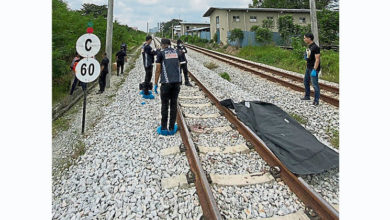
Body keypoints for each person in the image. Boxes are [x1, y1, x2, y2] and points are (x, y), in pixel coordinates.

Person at [154, 39, 181, 135]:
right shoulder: (177, 52)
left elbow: (158, 70)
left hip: (166, 84)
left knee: (165, 105)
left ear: (162, 45)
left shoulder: (161, 54)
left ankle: (164, 128)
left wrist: (155, 83)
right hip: (176, 83)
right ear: (169, 45)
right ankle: (172, 127)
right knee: (173, 105)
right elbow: (178, 66)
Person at [301, 33, 321, 106]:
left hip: (313, 68)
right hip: (308, 67)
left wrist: (314, 70)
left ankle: (316, 101)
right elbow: (309, 57)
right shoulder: (309, 46)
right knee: (306, 82)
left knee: (315, 85)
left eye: (305, 38)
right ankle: (307, 96)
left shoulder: (316, 47)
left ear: (309, 38)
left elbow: (317, 59)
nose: (304, 39)